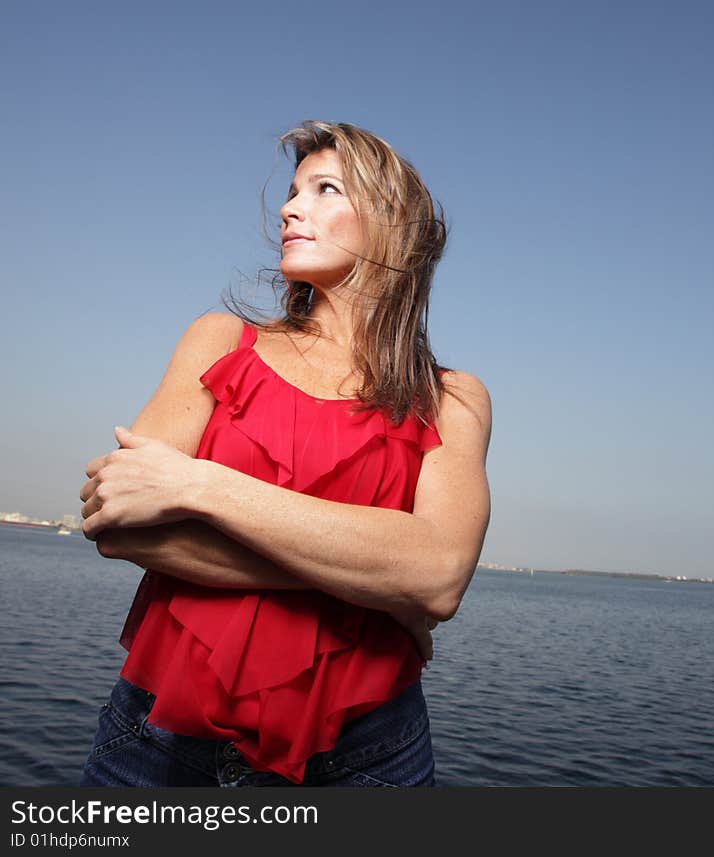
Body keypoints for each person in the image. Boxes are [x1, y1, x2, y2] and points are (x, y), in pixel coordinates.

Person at [77, 120, 491, 787]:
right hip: (157, 744)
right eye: (292, 193)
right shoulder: (219, 341)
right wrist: (382, 592)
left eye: (324, 189)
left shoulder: (453, 400)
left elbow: (439, 571)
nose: (290, 209)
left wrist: (200, 484)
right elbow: (117, 520)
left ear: (393, 224)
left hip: (371, 756)